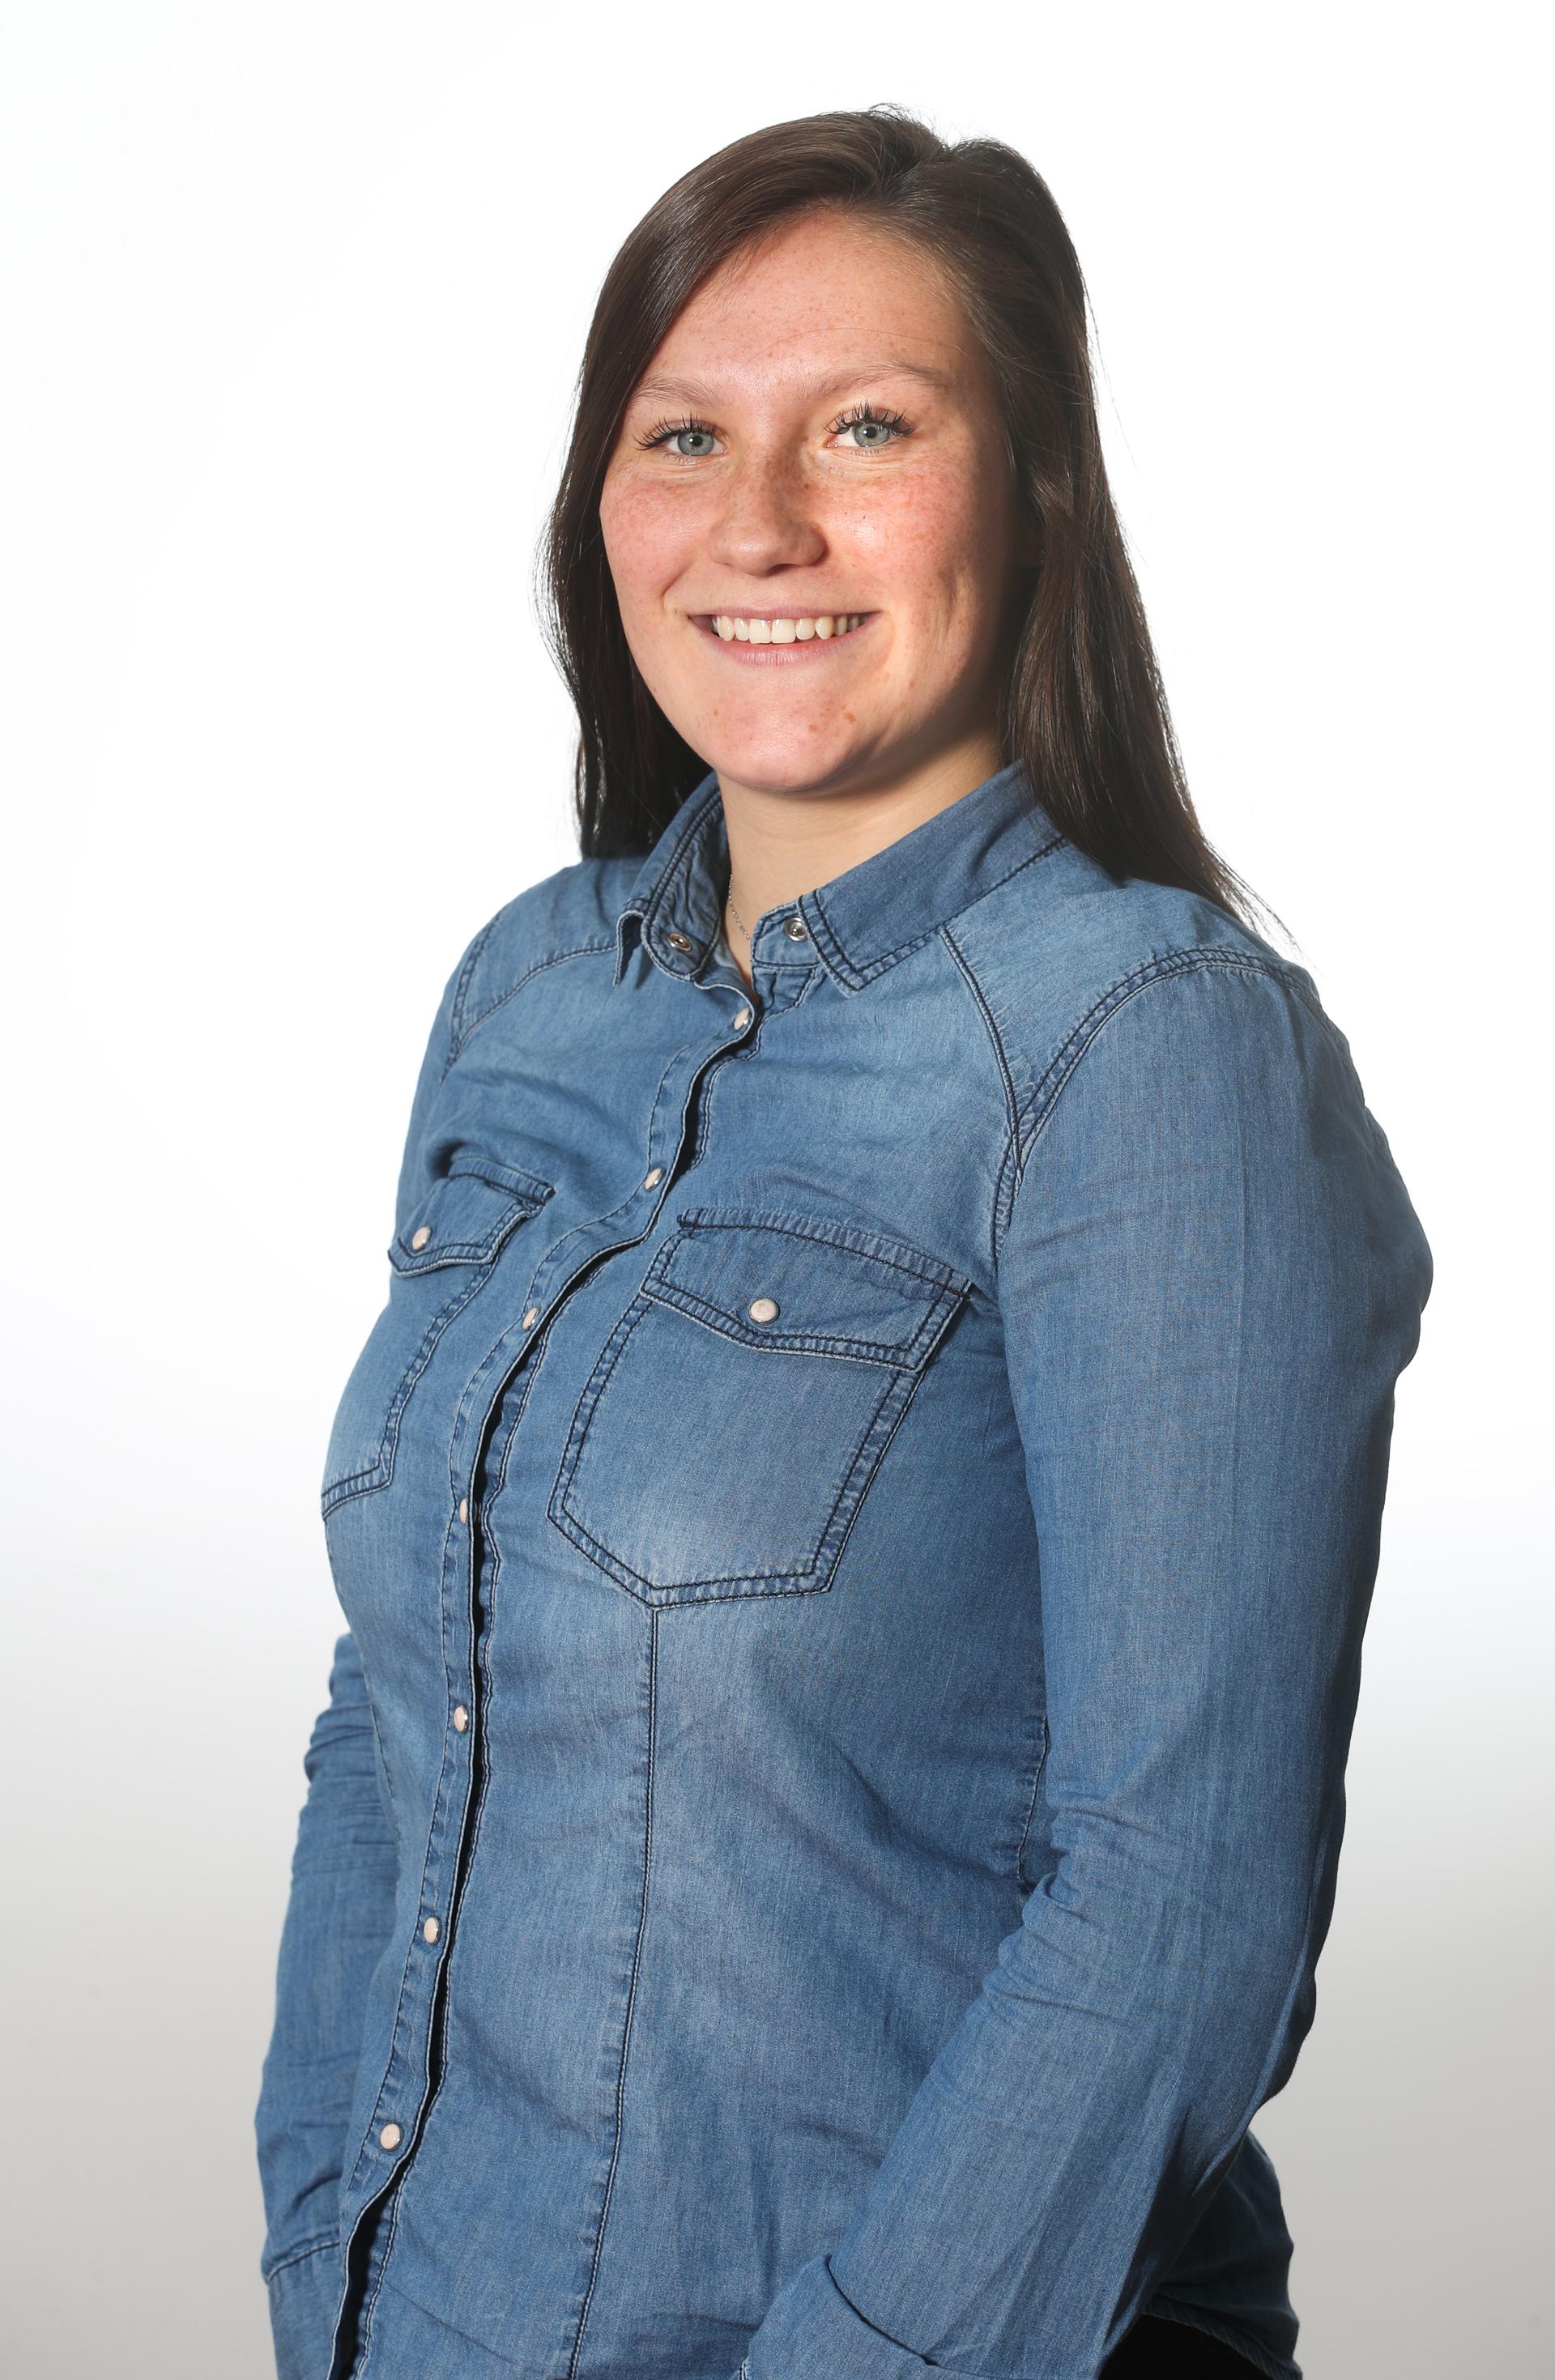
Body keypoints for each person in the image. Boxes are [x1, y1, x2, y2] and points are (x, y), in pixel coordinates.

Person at [253, 106, 1433, 2380]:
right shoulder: (530, 990)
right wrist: (334, 2240)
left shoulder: (1149, 1048)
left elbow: (1180, 1911)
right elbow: (397, 1687)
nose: (761, 521)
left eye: (868, 427)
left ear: (1041, 488)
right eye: (683, 434)